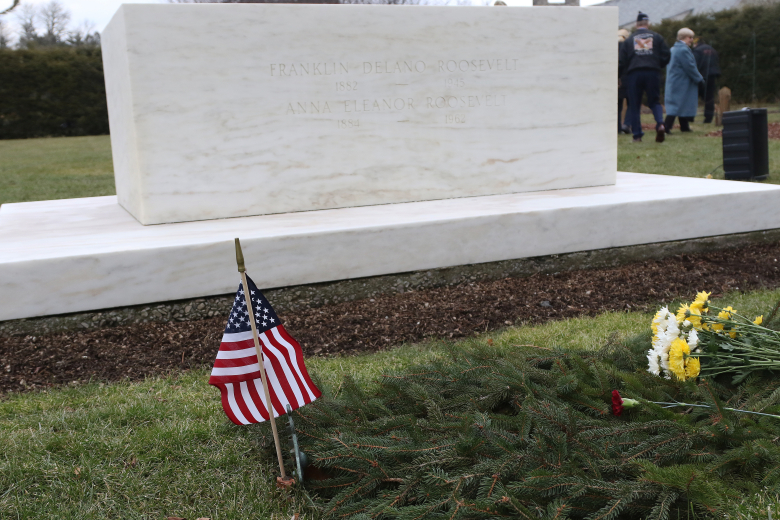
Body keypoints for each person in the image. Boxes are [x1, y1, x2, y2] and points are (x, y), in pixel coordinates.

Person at [619, 12, 671, 143]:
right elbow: (667, 54)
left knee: (635, 104)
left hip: (634, 73)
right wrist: (658, 64)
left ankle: (637, 135)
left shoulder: (630, 39)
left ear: (636, 24)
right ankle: (660, 124)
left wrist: (619, 76)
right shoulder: (657, 37)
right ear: (648, 24)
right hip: (652, 72)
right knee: (654, 101)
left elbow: (622, 61)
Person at [663, 28, 704, 134]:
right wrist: (699, 79)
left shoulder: (673, 49)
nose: (692, 40)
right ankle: (666, 127)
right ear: (685, 37)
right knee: (677, 104)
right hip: (682, 82)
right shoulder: (683, 50)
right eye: (690, 37)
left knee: (681, 103)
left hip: (674, 80)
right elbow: (690, 67)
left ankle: (684, 126)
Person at [693, 38, 721, 123]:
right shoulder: (712, 49)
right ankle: (708, 118)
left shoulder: (697, 50)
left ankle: (690, 117)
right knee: (709, 97)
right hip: (712, 75)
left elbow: (694, 63)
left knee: (694, 96)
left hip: (701, 75)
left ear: (696, 43)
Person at [617, 29, 631, 134]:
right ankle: (627, 124)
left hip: (618, 79)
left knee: (618, 105)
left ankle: (617, 128)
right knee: (631, 104)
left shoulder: (612, 46)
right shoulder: (629, 46)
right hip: (629, 77)